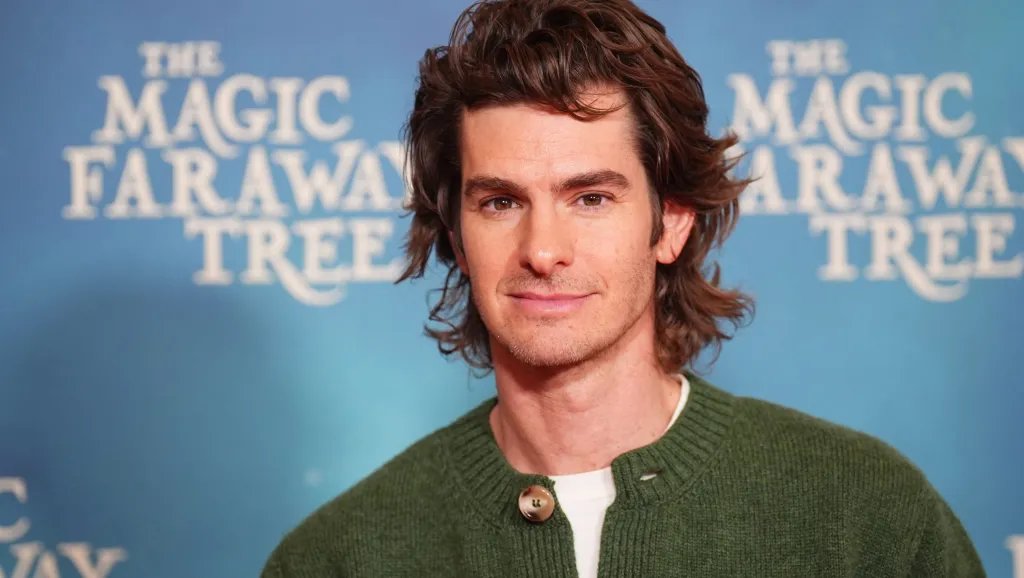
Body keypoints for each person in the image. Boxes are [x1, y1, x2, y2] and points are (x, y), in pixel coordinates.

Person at [261, 0, 984, 576]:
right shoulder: (338, 558)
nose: (543, 250)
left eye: (591, 198)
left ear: (672, 223)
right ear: (455, 235)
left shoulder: (866, 515)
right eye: (500, 202)